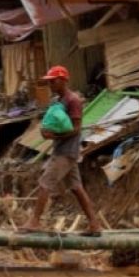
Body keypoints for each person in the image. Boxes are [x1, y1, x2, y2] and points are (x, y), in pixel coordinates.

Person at [19, 66, 103, 234]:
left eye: (53, 80)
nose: (50, 84)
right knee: (76, 187)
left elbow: (77, 128)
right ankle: (94, 225)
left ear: (63, 80)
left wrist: (54, 134)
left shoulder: (73, 101)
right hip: (64, 150)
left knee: (45, 182)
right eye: (49, 81)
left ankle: (35, 221)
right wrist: (48, 132)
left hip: (66, 152)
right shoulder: (59, 101)